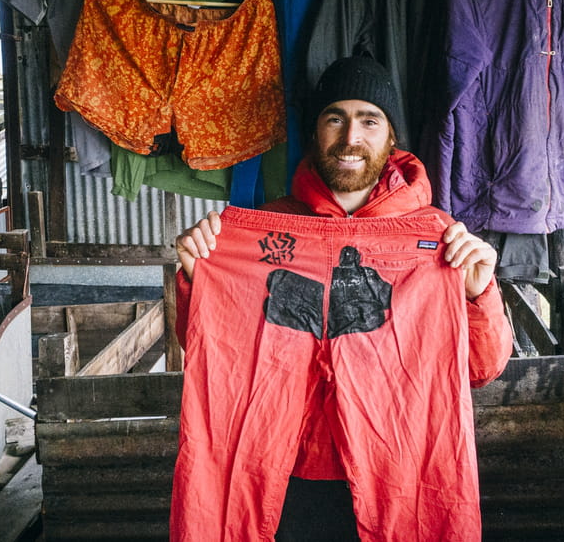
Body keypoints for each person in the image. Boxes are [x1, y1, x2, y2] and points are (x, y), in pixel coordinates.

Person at [174, 55, 513, 540]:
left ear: (390, 136)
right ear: (316, 132)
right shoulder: (267, 230)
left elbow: (482, 369)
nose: (351, 137)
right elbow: (216, 354)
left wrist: (479, 292)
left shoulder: (436, 239)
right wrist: (198, 276)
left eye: (369, 120)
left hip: (400, 468)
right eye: (335, 118)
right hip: (288, 472)